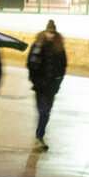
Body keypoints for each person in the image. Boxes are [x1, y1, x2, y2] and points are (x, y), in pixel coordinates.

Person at [26, 19, 66, 151]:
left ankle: (39, 136)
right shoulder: (38, 45)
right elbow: (30, 64)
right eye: (49, 32)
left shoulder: (59, 47)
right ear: (45, 32)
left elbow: (63, 66)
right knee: (43, 112)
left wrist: (58, 82)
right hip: (40, 86)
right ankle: (39, 137)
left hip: (52, 86)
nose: (51, 35)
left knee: (46, 112)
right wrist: (35, 80)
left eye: (53, 32)